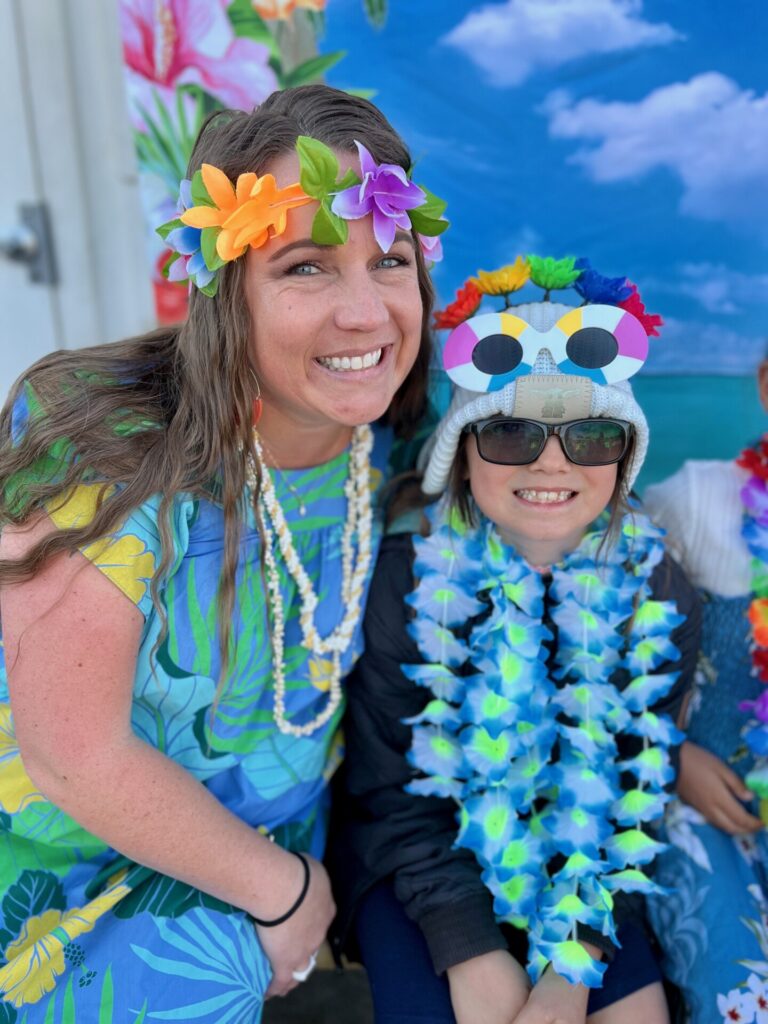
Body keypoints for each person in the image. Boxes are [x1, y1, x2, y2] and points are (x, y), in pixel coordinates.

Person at [0, 83, 447, 1021]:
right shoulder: (100, 443)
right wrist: (284, 892)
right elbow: (73, 753)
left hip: (273, 841)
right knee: (209, 973)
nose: (365, 313)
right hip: (64, 866)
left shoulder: (402, 439)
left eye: (389, 260)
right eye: (305, 267)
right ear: (226, 291)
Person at [329, 255, 701, 1024]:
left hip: (587, 875)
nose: (552, 461)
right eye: (509, 432)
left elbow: (636, 796)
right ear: (463, 453)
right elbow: (393, 798)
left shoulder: (658, 593)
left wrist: (572, 967)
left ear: (623, 458)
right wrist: (472, 951)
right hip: (419, 864)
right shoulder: (405, 582)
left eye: (591, 435)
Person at [643, 359, 768, 1022]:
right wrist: (673, 755)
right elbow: (613, 650)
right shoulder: (693, 501)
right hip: (702, 802)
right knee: (742, 1001)